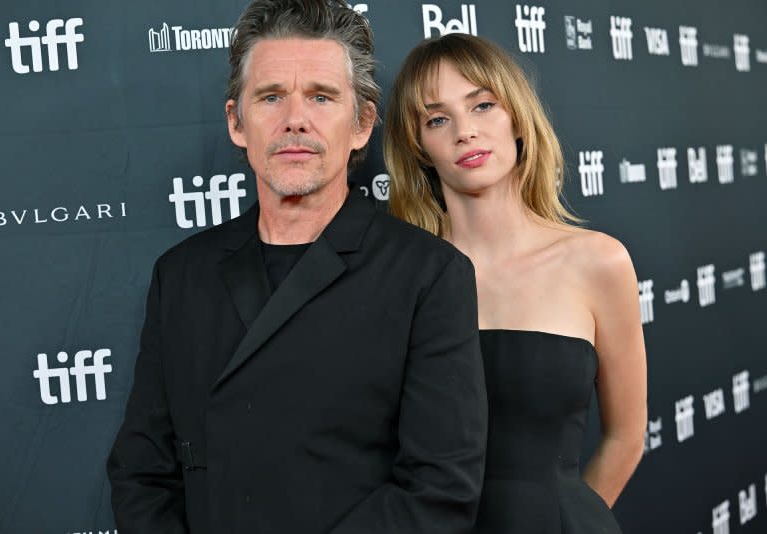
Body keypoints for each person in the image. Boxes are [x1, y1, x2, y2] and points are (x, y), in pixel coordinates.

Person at [107, 2, 488, 533]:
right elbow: (142, 473)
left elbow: (439, 490)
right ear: (237, 123)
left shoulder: (428, 275)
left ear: (362, 125)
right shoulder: (181, 275)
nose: (295, 120)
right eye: (270, 97)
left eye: (321, 97)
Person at [384, 33, 647, 533]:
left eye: (482, 105)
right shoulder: (401, 275)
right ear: (419, 147)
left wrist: (568, 520)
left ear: (516, 119)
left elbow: (626, 436)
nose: (466, 131)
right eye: (438, 119)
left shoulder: (597, 261)